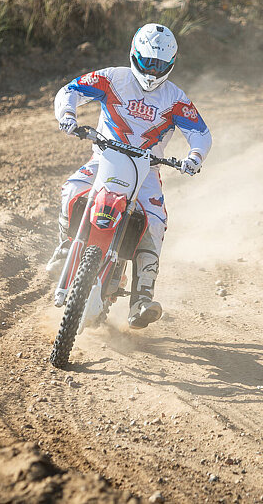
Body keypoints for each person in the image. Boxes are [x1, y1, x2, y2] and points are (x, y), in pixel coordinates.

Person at [48, 23, 212, 328]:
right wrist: (68, 116)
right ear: (134, 54)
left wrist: (194, 157)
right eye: (148, 61)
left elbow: (200, 133)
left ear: (171, 64)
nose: (152, 70)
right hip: (104, 156)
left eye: (160, 65)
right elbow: (69, 91)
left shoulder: (176, 98)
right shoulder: (112, 78)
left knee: (157, 223)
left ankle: (141, 300)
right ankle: (63, 245)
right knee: (71, 191)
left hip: (147, 170)